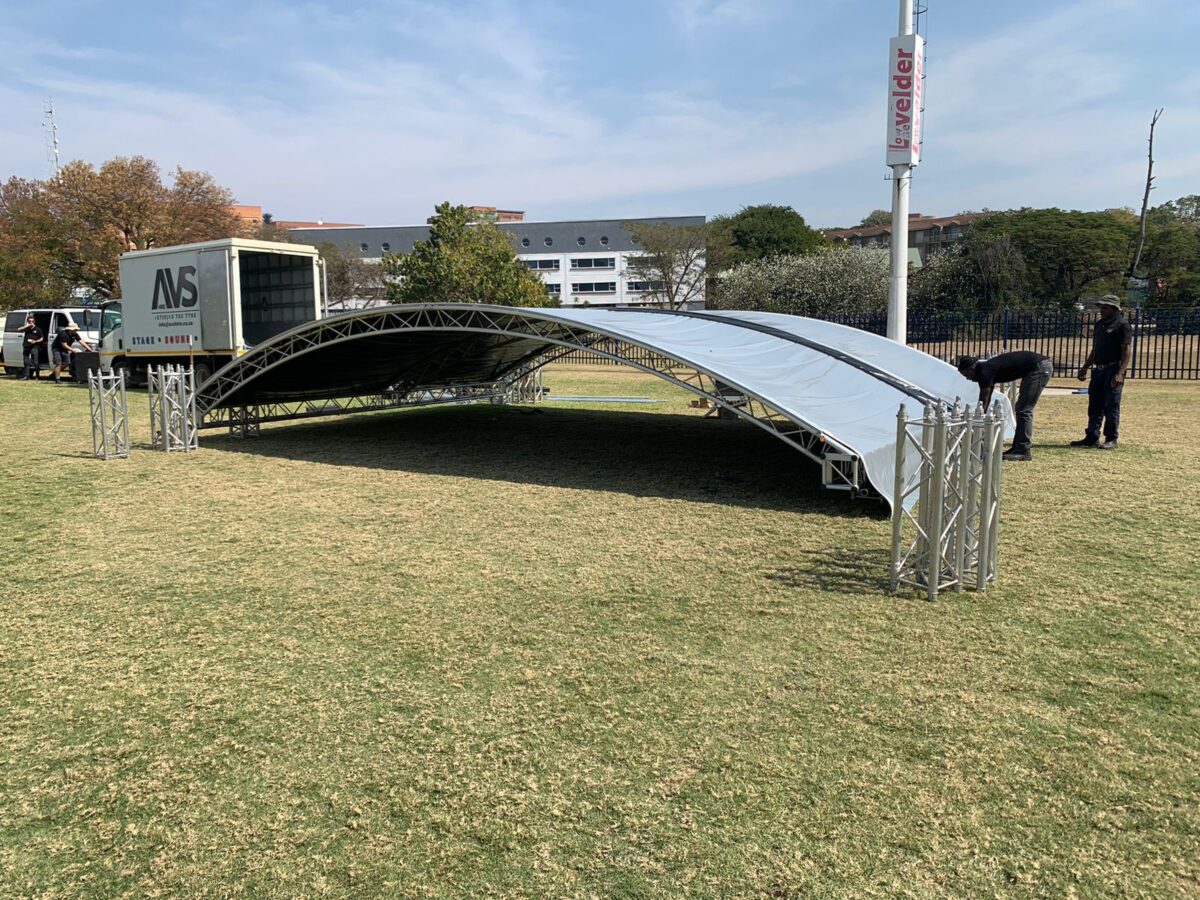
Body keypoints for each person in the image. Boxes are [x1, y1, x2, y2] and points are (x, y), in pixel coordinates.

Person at [956, 351, 1055, 461]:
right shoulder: (984, 370)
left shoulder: (984, 371)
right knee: (1022, 408)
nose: (967, 378)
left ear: (973, 367)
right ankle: (1017, 448)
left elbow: (983, 401)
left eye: (966, 374)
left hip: (1039, 367)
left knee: (1024, 409)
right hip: (1036, 367)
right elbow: (985, 401)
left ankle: (1023, 450)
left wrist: (977, 421)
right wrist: (980, 416)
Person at [1071, 295, 1132, 450]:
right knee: (1095, 404)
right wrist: (1085, 366)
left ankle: (1111, 438)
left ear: (1114, 308)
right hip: (1098, 369)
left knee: (1111, 405)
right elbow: (1095, 348)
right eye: (1100, 307)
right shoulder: (1100, 324)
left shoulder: (1122, 325)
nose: (1101, 310)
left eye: (1104, 307)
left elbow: (1127, 350)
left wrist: (1120, 372)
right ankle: (1092, 436)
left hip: (1113, 369)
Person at [50, 319, 94, 384]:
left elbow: (81, 342)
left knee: (67, 363)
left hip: (64, 349)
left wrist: (90, 349)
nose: (76, 330)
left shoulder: (75, 334)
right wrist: (73, 350)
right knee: (58, 363)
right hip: (57, 349)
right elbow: (64, 345)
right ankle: (57, 379)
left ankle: (55, 373)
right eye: (75, 329)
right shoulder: (63, 334)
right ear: (71, 329)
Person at [16, 315, 45, 381]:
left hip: (34, 347)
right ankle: (26, 376)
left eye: (32, 321)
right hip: (26, 346)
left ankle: (37, 376)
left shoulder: (38, 329)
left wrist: (35, 341)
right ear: (27, 322)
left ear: (34, 322)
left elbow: (42, 338)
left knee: (35, 361)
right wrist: (27, 326)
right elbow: (18, 329)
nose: (31, 322)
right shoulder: (27, 328)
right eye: (29, 321)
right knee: (26, 362)